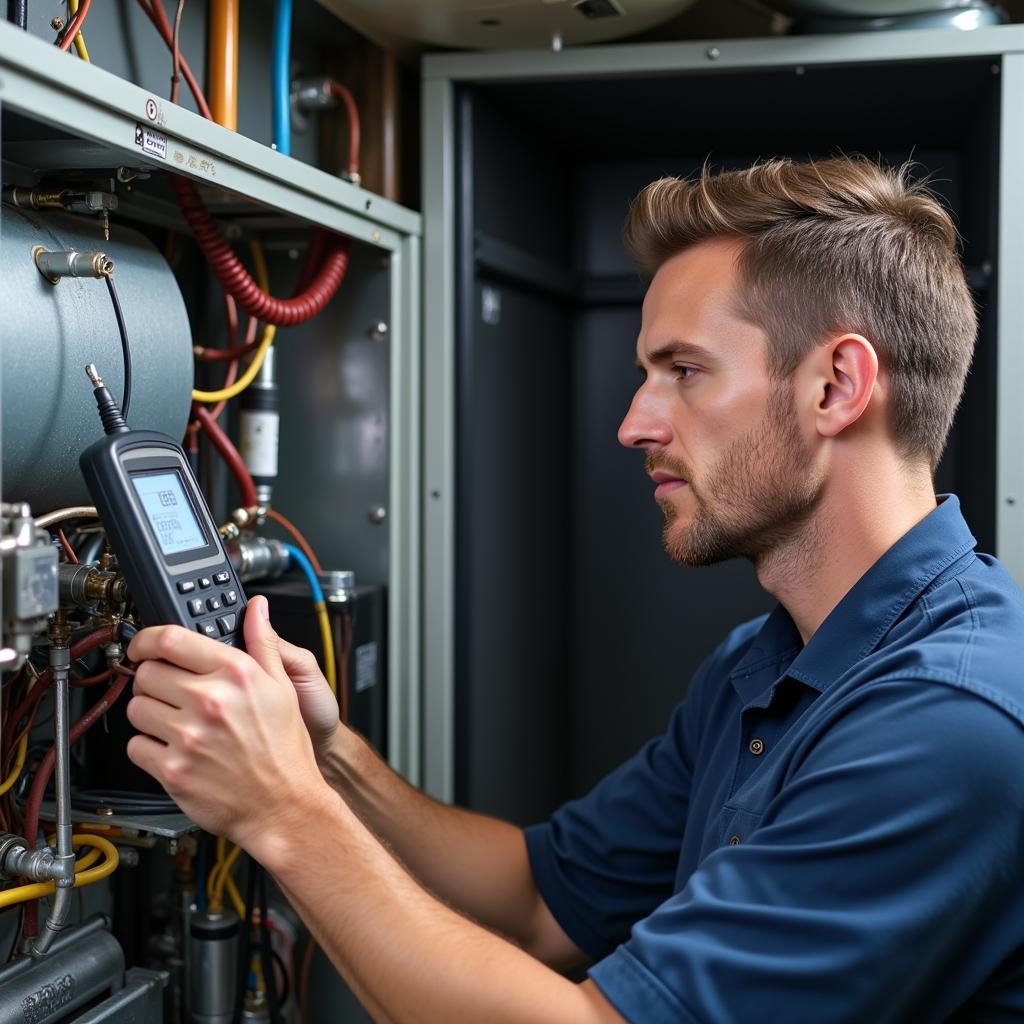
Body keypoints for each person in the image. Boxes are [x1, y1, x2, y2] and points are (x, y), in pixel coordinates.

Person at [125, 158, 1024, 1022]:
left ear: (836, 386)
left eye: (684, 370)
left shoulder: (948, 725)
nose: (635, 422)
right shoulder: (765, 666)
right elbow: (536, 900)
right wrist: (324, 759)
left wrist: (281, 810)